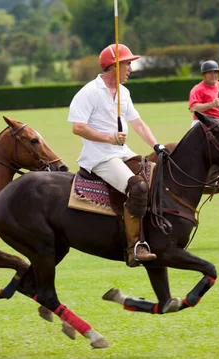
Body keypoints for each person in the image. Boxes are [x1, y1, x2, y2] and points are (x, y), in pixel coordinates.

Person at [67, 44, 168, 267]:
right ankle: (135, 248)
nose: (131, 68)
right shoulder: (90, 92)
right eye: (127, 63)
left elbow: (138, 123)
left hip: (122, 152)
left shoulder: (125, 93)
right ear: (114, 66)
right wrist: (109, 137)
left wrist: (156, 145)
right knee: (137, 187)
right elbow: (78, 127)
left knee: (154, 177)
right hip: (100, 157)